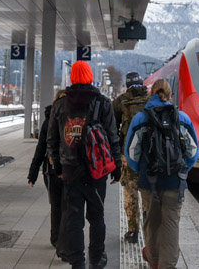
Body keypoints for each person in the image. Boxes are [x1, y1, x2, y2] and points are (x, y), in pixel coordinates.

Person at [47, 61, 122, 269]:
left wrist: (58, 168)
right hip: (97, 171)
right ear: (90, 77)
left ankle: (77, 262)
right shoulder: (102, 103)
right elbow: (112, 138)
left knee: (73, 219)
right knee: (97, 217)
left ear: (72, 77)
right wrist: (116, 167)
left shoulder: (60, 105)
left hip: (70, 172)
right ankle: (96, 259)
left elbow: (51, 140)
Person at [124, 79, 198, 269]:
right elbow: (193, 151)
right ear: (170, 95)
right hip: (175, 182)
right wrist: (183, 171)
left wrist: (140, 170)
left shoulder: (140, 118)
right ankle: (168, 265)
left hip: (149, 182)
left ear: (151, 93)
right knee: (171, 225)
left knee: (151, 223)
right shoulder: (182, 117)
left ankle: (154, 262)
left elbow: (131, 153)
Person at [113, 71, 150, 242]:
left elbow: (112, 128)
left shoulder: (121, 101)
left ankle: (132, 232)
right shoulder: (150, 100)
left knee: (130, 192)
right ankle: (149, 230)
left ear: (127, 85)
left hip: (128, 154)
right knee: (148, 192)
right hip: (149, 155)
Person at [27, 89, 67, 250]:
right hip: (68, 168)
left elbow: (41, 148)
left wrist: (33, 174)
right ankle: (62, 237)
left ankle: (56, 237)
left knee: (56, 205)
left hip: (50, 169)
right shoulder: (73, 119)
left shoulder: (48, 120)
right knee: (67, 205)